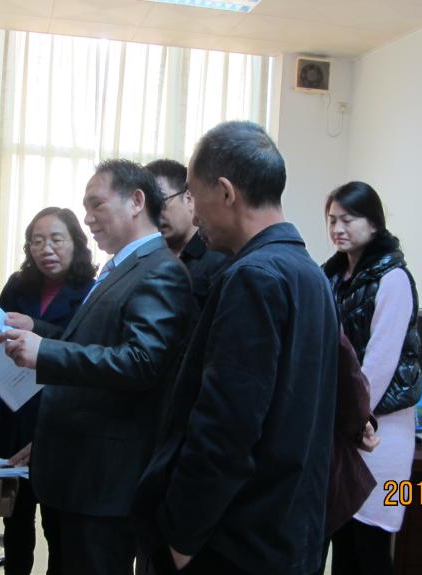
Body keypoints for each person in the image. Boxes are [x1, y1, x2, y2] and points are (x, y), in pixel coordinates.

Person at [132, 121, 340, 575]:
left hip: (235, 541)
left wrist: (182, 538)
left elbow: (226, 426)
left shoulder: (254, 277)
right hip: (289, 533)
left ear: (226, 192)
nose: (194, 214)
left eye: (194, 195)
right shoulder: (309, 272)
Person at [0, 160, 194, 575]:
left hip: (104, 480)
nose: (87, 218)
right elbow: (96, 341)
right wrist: (39, 332)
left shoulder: (160, 270)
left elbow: (141, 361)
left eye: (96, 204)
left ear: (136, 201)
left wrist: (45, 352)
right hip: (77, 472)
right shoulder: (121, 266)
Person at [0, 207, 96, 575]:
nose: (46, 249)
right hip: (14, 417)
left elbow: (84, 354)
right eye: (37, 241)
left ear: (76, 243)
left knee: (59, 530)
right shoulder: (17, 286)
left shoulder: (92, 290)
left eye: (56, 239)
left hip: (60, 423)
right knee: (15, 524)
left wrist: (34, 326)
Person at [321, 181, 421, 575]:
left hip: (383, 429)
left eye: (348, 219)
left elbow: (380, 361)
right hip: (346, 424)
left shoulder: (394, 279)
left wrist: (355, 416)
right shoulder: (331, 276)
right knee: (343, 541)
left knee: (372, 545)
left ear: (374, 223)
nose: (338, 228)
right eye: (332, 220)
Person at [145, 159, 226, 310]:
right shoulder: (148, 259)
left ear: (189, 199)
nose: (154, 214)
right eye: (148, 208)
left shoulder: (217, 259)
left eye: (160, 203)